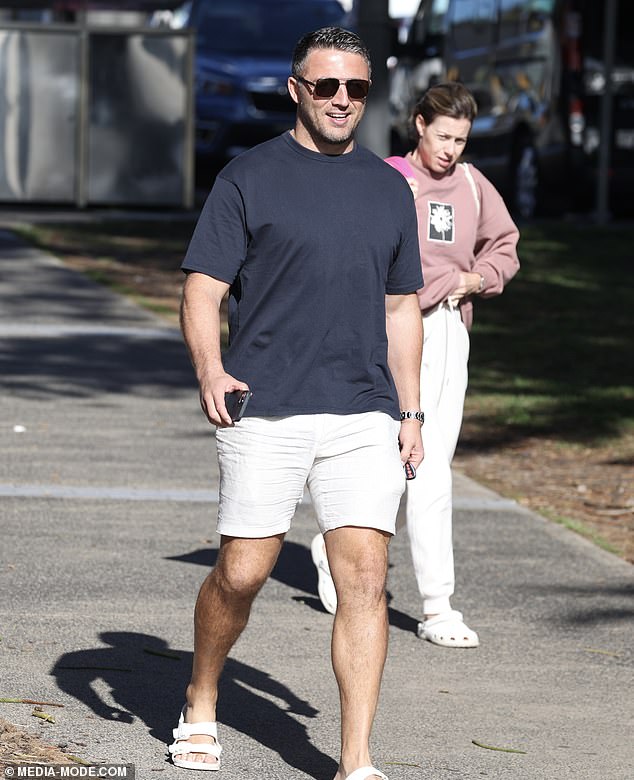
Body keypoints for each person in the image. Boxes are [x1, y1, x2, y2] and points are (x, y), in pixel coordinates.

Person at [169, 26, 425, 780]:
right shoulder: (247, 178)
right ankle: (202, 695)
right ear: (296, 90)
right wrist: (211, 369)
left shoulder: (388, 187)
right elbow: (201, 289)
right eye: (326, 86)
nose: (342, 100)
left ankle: (355, 760)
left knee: (366, 579)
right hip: (266, 403)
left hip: (363, 409)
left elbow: (403, 306)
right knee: (244, 571)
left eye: (356, 88)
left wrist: (411, 412)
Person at [311, 82, 520, 648]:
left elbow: (504, 245)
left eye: (462, 139)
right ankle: (353, 557)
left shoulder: (474, 186)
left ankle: (435, 603)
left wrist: (476, 278)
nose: (452, 149)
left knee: (431, 466)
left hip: (449, 329)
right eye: (444, 135)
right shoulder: (391, 178)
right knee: (390, 458)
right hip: (390, 329)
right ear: (420, 125)